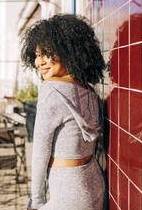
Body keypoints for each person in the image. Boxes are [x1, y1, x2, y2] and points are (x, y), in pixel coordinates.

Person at [21, 14, 106, 209]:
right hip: (94, 182)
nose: (39, 62)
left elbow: (40, 153)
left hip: (69, 192)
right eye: (36, 55)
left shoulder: (51, 90)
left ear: (68, 52)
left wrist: (37, 200)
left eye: (46, 54)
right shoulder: (88, 90)